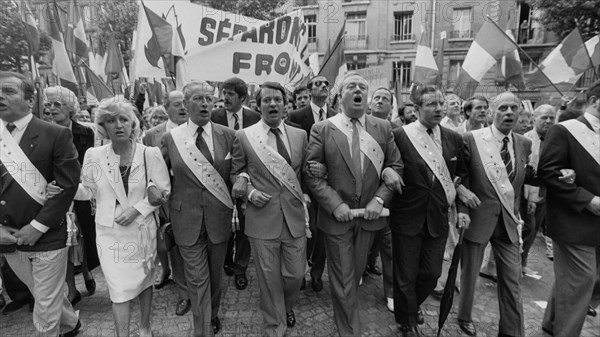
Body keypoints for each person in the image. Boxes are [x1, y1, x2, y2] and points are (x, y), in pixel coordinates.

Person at [305, 72, 403, 336]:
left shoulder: (382, 128)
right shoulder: (322, 129)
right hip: (337, 219)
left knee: (354, 275)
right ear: (340, 95)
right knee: (345, 280)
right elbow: (312, 173)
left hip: (370, 218)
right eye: (351, 86)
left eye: (362, 87)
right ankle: (350, 331)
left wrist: (380, 199)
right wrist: (335, 204)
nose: (358, 90)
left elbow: (396, 165)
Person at [75, 99, 170, 336]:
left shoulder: (150, 153)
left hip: (141, 229)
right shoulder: (93, 154)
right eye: (110, 120)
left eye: (123, 119)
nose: (118, 125)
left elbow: (164, 190)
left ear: (133, 123)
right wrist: (63, 189)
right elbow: (87, 190)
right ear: (102, 126)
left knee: (144, 280)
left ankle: (145, 328)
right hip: (109, 232)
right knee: (118, 290)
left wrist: (137, 209)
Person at [0, 71, 81, 336]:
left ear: (29, 98)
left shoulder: (55, 134)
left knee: (44, 305)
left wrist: (37, 226)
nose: (1, 96)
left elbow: (67, 187)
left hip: (47, 235)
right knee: (43, 291)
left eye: (9, 91)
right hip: (8, 237)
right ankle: (71, 322)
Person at [390, 86, 470, 337]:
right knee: (405, 273)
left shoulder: (454, 138)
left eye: (441, 104)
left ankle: (409, 306)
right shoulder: (400, 135)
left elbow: (462, 176)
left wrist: (463, 207)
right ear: (416, 109)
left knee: (431, 273)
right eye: (431, 104)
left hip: (438, 216)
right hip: (407, 215)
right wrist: (386, 172)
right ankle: (407, 321)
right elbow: (390, 165)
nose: (438, 108)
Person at [231, 82, 309, 336]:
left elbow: (304, 173)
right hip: (262, 218)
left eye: (277, 99)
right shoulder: (243, 136)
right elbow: (236, 172)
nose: (273, 104)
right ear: (258, 105)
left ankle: (285, 305)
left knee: (295, 275)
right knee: (267, 277)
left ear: (286, 105)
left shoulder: (300, 135)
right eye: (267, 100)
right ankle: (275, 324)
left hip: (294, 218)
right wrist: (250, 192)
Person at [457, 91, 536, 337]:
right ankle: (464, 316)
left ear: (520, 113)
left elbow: (522, 178)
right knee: (470, 275)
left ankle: (512, 332)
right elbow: (462, 177)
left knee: (513, 280)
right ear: (492, 112)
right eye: (503, 108)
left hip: (508, 223)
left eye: (514, 108)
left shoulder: (524, 143)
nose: (509, 112)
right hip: (478, 218)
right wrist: (462, 209)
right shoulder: (471, 139)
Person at [161, 81, 235, 336]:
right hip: (186, 219)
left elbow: (236, 172)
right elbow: (160, 177)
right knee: (196, 277)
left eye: (208, 98)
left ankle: (212, 314)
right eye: (197, 98)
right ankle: (202, 329)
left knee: (215, 276)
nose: (204, 103)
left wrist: (243, 182)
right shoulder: (171, 138)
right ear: (185, 104)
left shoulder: (228, 135)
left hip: (219, 218)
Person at [540, 80, 600, 336]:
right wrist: (587, 199)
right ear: (596, 100)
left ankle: (551, 322)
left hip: (596, 226)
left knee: (580, 282)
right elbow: (548, 172)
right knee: (580, 282)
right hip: (573, 221)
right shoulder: (565, 130)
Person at [44, 86, 99, 305]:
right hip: (56, 196)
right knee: (64, 242)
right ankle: (71, 288)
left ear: (71, 108)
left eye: (58, 104)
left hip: (82, 192)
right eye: (49, 104)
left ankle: (86, 271)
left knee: (84, 237)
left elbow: (91, 162)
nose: (52, 108)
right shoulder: (43, 132)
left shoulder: (86, 132)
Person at [142, 90, 191, 317]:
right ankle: (184, 293)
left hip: (195, 197)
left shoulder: (198, 129)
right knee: (176, 246)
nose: (182, 108)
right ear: (166, 107)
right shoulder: (152, 135)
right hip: (169, 201)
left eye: (185, 103)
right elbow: (146, 170)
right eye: (177, 104)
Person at [211, 77, 261, 290]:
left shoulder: (255, 117)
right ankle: (226, 261)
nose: (225, 97)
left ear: (243, 97)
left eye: (231, 94)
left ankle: (240, 268)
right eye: (224, 93)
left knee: (245, 226)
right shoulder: (213, 116)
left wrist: (246, 178)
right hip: (218, 181)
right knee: (223, 225)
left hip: (246, 181)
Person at [288, 75, 337, 293]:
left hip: (330, 184)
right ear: (310, 90)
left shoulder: (337, 117)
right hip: (304, 185)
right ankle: (301, 270)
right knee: (305, 231)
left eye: (326, 84)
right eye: (318, 83)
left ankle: (317, 273)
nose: (323, 86)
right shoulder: (296, 116)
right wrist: (302, 188)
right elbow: (294, 153)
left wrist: (329, 171)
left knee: (323, 232)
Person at [365, 87, 397, 312]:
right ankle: (361, 270)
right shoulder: (355, 125)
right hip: (359, 201)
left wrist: (388, 172)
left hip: (386, 201)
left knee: (390, 249)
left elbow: (398, 164)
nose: (380, 101)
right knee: (363, 244)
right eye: (376, 97)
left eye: (385, 99)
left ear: (391, 107)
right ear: (369, 103)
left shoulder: (398, 131)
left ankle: (392, 292)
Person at [521, 104, 556, 276]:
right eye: (544, 117)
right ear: (534, 118)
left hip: (546, 192)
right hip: (525, 193)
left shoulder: (558, 140)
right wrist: (531, 197)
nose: (548, 121)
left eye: (552, 117)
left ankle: (522, 262)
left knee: (533, 231)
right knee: (526, 228)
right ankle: (513, 263)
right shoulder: (525, 140)